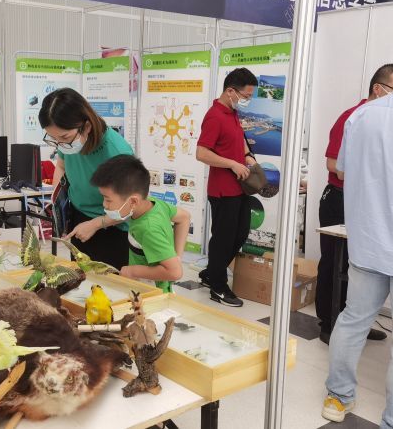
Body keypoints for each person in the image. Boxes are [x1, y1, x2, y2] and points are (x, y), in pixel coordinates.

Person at [322, 81, 393, 426]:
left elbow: (341, 169)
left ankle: (338, 397)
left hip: (369, 239)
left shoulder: (362, 115)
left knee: (353, 320)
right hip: (373, 239)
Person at [316, 66, 392, 345]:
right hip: (339, 199)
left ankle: (357, 322)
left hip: (368, 203)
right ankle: (328, 323)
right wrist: (371, 174)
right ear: (378, 89)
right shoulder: (353, 116)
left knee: (360, 269)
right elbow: (333, 164)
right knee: (333, 261)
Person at [39, 88, 133, 269]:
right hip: (79, 218)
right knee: (80, 277)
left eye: (64, 137)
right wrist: (57, 201)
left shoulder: (116, 151)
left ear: (87, 126)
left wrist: (96, 224)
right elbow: (61, 166)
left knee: (108, 283)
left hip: (111, 226)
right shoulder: (67, 143)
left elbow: (129, 205)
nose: (60, 144)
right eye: (53, 138)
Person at [195, 68, 258, 307]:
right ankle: (218, 287)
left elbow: (238, 139)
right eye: (245, 96)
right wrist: (232, 163)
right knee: (223, 238)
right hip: (223, 190)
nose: (247, 100)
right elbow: (202, 153)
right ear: (230, 91)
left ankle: (211, 272)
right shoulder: (214, 116)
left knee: (240, 234)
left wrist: (247, 156)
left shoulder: (232, 113)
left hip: (240, 188)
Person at [91, 155, 190, 293]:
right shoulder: (154, 204)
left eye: (108, 200)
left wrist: (133, 271)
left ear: (133, 201)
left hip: (152, 294)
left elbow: (175, 272)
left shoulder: (148, 229)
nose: (104, 204)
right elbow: (184, 217)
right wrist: (176, 257)